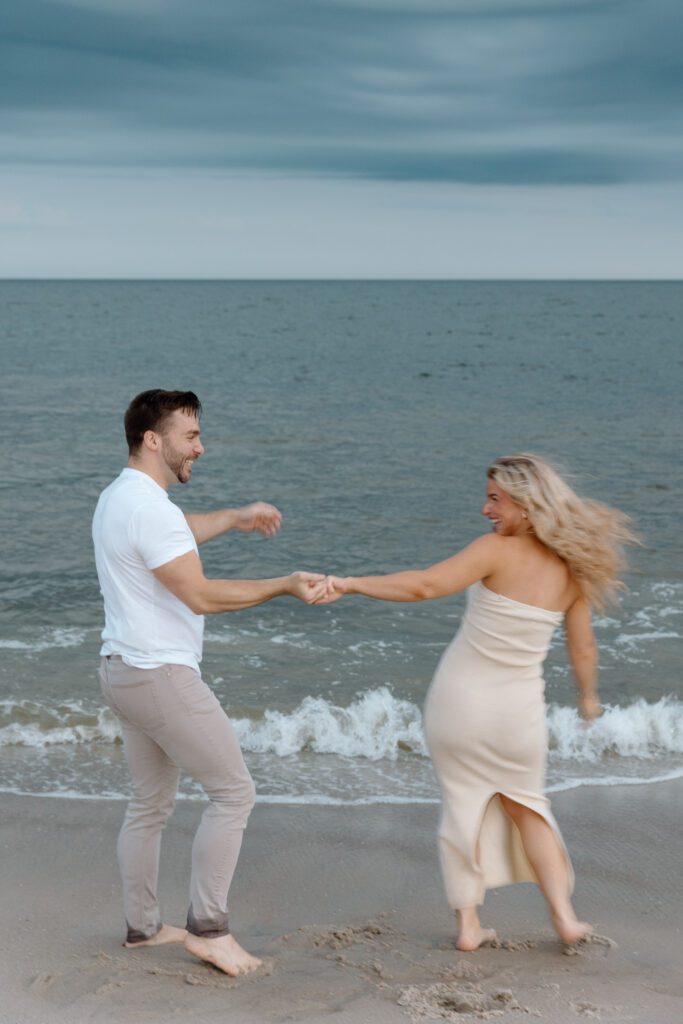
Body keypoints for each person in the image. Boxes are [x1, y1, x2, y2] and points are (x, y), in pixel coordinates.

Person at [319, 454, 636, 951]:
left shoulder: (495, 551)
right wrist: (589, 700)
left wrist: (351, 583)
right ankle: (565, 918)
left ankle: (469, 925)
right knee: (530, 808)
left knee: (462, 806)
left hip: (459, 702)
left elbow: (425, 585)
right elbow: (582, 648)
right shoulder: (574, 573)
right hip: (519, 713)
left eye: (495, 499)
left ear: (527, 506)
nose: (485, 508)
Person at [93, 389, 327, 976]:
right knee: (234, 792)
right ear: (154, 439)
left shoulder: (121, 497)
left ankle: (143, 928)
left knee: (150, 803)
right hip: (160, 674)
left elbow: (178, 531)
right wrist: (283, 585)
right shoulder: (151, 509)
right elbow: (197, 593)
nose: (201, 446)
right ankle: (209, 929)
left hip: (122, 670)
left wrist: (236, 517)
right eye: (190, 435)